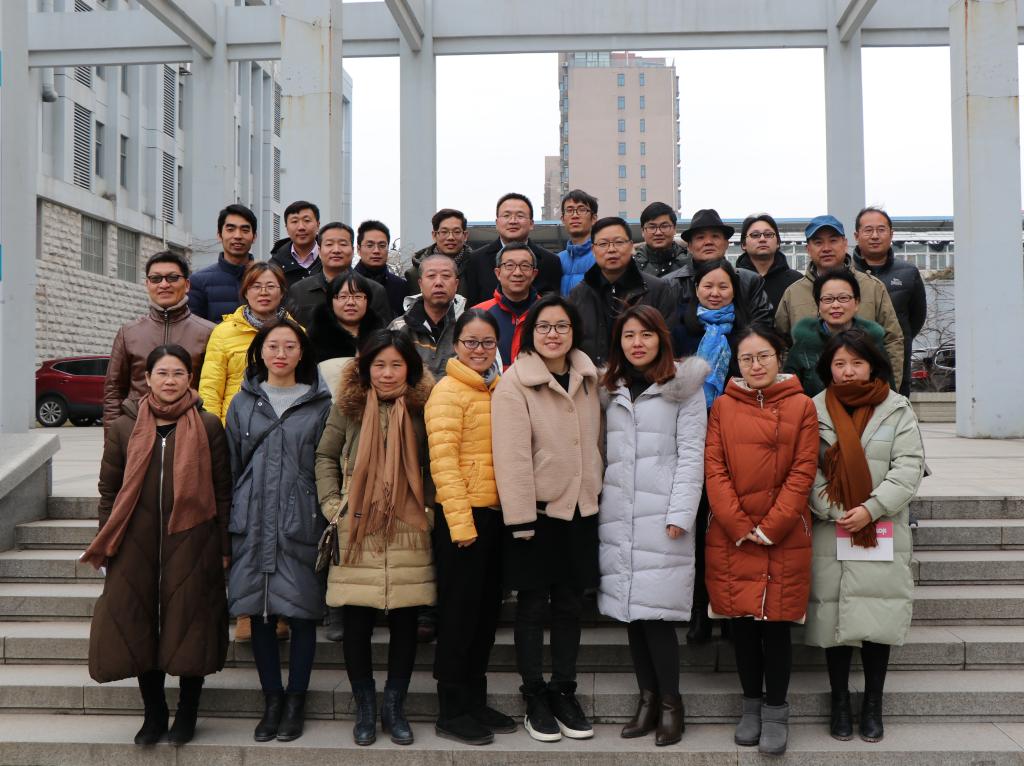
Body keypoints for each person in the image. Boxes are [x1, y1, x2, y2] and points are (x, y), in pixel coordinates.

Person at [85, 345, 232, 747]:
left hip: (194, 540)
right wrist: (106, 540)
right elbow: (109, 490)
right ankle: (154, 713)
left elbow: (223, 490)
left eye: (178, 373)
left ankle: (187, 712)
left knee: (191, 623)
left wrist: (223, 546)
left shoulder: (208, 425)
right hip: (135, 542)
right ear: (147, 378)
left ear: (190, 379)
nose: (170, 381)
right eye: (162, 373)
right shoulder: (124, 426)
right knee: (139, 623)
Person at [314, 329, 436, 747]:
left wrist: (429, 509)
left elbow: (435, 462)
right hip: (357, 523)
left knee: (405, 621)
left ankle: (394, 707)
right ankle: (365, 706)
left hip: (408, 524)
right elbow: (325, 455)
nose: (387, 373)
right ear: (365, 368)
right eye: (379, 365)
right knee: (356, 621)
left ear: (409, 368)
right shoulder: (347, 407)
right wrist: (332, 504)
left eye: (396, 365)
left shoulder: (424, 407)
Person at [491, 294, 603, 743]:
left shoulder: (589, 378)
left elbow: (596, 442)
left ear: (574, 332)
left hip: (580, 509)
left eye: (561, 326)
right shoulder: (515, 383)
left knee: (571, 606)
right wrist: (520, 519)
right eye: (544, 327)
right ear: (530, 333)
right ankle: (535, 694)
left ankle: (564, 690)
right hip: (535, 515)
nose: (553, 334)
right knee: (533, 607)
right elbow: (512, 457)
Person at [804, 329, 925, 744]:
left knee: (879, 616)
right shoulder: (814, 409)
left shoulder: (896, 408)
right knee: (834, 618)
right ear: (828, 368)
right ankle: (839, 702)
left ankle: (873, 704)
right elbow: (807, 470)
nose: (848, 371)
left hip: (882, 526)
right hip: (832, 529)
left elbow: (908, 467)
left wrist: (870, 509)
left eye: (857, 363)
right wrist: (839, 511)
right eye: (840, 364)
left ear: (873, 366)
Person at [704, 327, 818, 756]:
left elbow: (803, 470)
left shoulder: (802, 405)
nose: (755, 365)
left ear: (779, 357)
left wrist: (772, 525)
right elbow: (714, 468)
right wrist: (737, 524)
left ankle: (776, 710)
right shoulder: (723, 406)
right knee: (743, 625)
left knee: (776, 626)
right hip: (732, 533)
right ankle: (750, 704)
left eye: (763, 356)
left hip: (782, 533)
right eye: (747, 358)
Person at [597, 306, 707, 747]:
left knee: (657, 615)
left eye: (645, 334)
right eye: (628, 335)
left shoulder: (683, 388)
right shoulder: (611, 389)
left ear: (661, 337)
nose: (637, 343)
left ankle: (671, 703)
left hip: (663, 517)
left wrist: (681, 514)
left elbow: (692, 455)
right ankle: (646, 699)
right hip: (619, 512)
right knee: (631, 613)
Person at [225, 318, 332, 743]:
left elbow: (327, 463)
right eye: (273, 346)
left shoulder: (320, 403)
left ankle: (296, 700)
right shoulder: (242, 402)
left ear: (302, 352)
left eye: (290, 346)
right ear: (261, 352)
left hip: (300, 520)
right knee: (259, 613)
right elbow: (231, 466)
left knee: (302, 613)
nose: (281, 353)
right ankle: (272, 699)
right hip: (251, 519)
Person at [425, 309, 514, 746]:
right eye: (471, 342)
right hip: (463, 520)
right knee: (459, 617)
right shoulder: (447, 392)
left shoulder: (497, 388)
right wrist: (462, 525)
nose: (479, 350)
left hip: (495, 516)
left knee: (484, 616)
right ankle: (451, 709)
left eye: (487, 343)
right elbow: (443, 464)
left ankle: (475, 700)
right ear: (456, 346)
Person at [774, 215, 905, 390]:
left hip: (865, 394)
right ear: (808, 249)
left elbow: (893, 340)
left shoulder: (872, 287)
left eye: (833, 240)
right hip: (811, 398)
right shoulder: (793, 293)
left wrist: (887, 392)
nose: (826, 248)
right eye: (818, 242)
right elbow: (781, 344)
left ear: (845, 243)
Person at [103, 251, 214, 429]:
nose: (164, 284)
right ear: (147, 284)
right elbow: (113, 391)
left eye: (172, 277)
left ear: (187, 285)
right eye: (156, 279)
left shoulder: (209, 332)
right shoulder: (128, 333)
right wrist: (113, 438)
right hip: (137, 429)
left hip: (191, 430)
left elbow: (215, 391)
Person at [567, 216, 676, 367]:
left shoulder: (658, 289)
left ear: (631, 246)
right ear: (593, 250)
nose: (611, 249)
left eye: (619, 242)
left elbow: (667, 343)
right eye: (603, 244)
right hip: (592, 378)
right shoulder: (578, 295)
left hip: (643, 378)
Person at [199, 261, 291, 424]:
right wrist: (213, 428)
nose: (263, 292)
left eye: (270, 286)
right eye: (256, 286)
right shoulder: (223, 332)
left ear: (282, 292)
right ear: (246, 292)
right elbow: (210, 388)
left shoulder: (297, 333)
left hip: (283, 424)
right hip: (235, 426)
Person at [852, 207, 927, 397]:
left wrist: (898, 340)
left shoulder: (908, 273)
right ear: (856, 236)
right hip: (853, 364)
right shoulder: (845, 274)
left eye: (881, 229)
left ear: (891, 234)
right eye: (868, 230)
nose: (875, 236)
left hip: (896, 365)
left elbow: (916, 318)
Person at [784, 269, 889, 397]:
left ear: (856, 303)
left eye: (843, 298)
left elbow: (886, 390)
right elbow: (789, 396)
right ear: (818, 305)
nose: (835, 305)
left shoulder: (872, 342)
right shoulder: (803, 346)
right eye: (828, 299)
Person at [663, 208, 773, 329]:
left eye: (715, 236)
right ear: (689, 246)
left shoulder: (750, 281)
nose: (708, 242)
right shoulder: (670, 285)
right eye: (700, 237)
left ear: (726, 244)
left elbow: (763, 325)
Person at [670, 258, 749, 404]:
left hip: (735, 408)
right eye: (708, 286)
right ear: (696, 289)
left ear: (734, 291)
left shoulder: (746, 333)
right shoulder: (678, 328)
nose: (715, 293)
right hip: (687, 407)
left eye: (723, 287)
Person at [463, 193, 562, 305]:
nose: (513, 221)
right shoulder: (476, 260)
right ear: (497, 223)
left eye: (520, 216)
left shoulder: (550, 261)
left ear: (531, 224)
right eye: (506, 216)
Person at [288, 221, 391, 329]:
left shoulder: (374, 291)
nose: (336, 250)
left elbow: (382, 335)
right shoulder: (299, 290)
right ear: (319, 251)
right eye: (329, 244)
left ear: (352, 250)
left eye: (343, 244)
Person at [390, 253, 466, 380]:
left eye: (446, 276)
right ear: (420, 284)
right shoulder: (400, 328)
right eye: (431, 276)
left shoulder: (468, 327)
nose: (438, 282)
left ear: (456, 284)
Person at [473, 242, 542, 369]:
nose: (517, 272)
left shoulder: (547, 312)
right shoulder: (478, 314)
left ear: (534, 274)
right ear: (498, 273)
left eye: (525, 266)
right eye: (509, 265)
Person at [188, 204, 257, 322]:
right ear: (219, 235)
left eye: (245, 230)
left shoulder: (267, 279)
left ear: (254, 237)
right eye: (230, 230)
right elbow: (195, 327)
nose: (238, 236)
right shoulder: (198, 281)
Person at [308, 270, 383, 364]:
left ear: (367, 301)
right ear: (331, 302)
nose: (351, 302)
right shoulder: (314, 340)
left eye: (358, 296)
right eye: (343, 297)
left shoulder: (380, 338)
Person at [735, 213, 802, 311]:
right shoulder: (733, 280)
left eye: (768, 235)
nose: (762, 239)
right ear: (743, 244)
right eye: (755, 235)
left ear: (778, 242)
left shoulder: (796, 281)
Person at [405, 208, 473, 293]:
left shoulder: (478, 267)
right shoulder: (415, 274)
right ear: (434, 235)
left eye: (456, 232)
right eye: (444, 232)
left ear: (465, 235)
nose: (450, 237)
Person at [353, 220, 408, 317]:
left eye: (382, 246)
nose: (376, 251)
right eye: (370, 245)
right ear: (358, 249)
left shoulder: (400, 286)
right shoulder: (346, 283)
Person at [556, 189, 598, 295]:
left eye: (582, 209)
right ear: (563, 219)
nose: (575, 215)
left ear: (593, 218)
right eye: (569, 210)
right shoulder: (557, 260)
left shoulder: (602, 256)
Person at [270, 200, 321, 286]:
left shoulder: (332, 258)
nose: (301, 227)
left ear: (318, 225)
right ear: (286, 228)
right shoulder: (275, 265)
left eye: (307, 220)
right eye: (294, 221)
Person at [633, 201, 688, 277]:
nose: (658, 232)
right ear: (642, 231)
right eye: (652, 227)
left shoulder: (689, 263)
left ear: (674, 229)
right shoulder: (631, 266)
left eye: (664, 226)